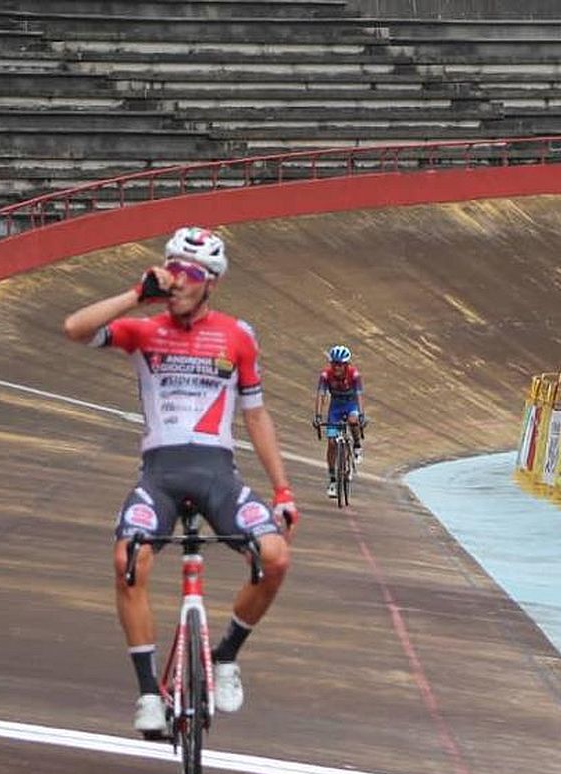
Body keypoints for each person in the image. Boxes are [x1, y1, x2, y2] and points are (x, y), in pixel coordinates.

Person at [61, 225, 298, 735]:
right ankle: (149, 692)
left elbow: (257, 417)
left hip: (218, 475)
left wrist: (282, 490)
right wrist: (134, 293)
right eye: (170, 269)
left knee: (275, 557)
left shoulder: (237, 337)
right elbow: (75, 328)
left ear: (210, 282)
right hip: (161, 475)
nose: (176, 281)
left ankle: (226, 655)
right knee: (128, 559)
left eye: (187, 273)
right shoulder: (143, 331)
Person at [313, 344, 366, 499]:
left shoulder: (354, 375)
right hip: (335, 408)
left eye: (339, 364)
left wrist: (361, 414)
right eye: (334, 364)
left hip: (351, 406)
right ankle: (332, 479)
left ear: (346, 365)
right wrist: (317, 415)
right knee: (331, 443)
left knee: (353, 420)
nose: (336, 367)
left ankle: (356, 445)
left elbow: (359, 396)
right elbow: (321, 395)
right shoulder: (325, 375)